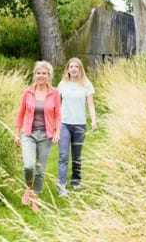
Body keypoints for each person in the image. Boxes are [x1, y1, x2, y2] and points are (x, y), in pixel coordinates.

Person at [14, 61, 61, 212]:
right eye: (38, 73)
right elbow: (21, 113)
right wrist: (16, 134)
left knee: (40, 170)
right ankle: (28, 187)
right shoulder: (28, 92)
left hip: (45, 135)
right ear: (34, 75)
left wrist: (57, 132)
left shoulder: (54, 93)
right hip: (29, 134)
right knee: (28, 166)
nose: (41, 76)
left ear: (49, 76)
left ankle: (35, 199)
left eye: (44, 73)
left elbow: (58, 115)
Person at [56, 57, 97, 196]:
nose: (73, 69)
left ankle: (76, 180)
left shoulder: (86, 85)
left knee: (77, 155)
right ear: (67, 69)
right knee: (63, 155)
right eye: (71, 66)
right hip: (64, 124)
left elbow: (90, 104)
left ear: (80, 69)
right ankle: (61, 185)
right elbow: (56, 105)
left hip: (79, 124)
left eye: (76, 67)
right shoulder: (62, 84)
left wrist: (94, 120)